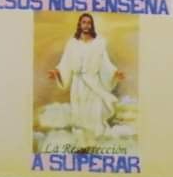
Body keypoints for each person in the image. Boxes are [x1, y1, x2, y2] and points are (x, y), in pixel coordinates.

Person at [47, 12, 126, 146]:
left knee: (93, 112)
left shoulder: (98, 44)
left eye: (89, 23)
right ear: (80, 24)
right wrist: (57, 72)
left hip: (93, 83)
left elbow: (105, 63)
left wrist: (114, 73)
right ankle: (81, 143)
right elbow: (65, 62)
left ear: (92, 25)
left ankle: (92, 142)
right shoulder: (72, 43)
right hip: (78, 85)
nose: (86, 25)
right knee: (79, 112)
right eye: (84, 22)